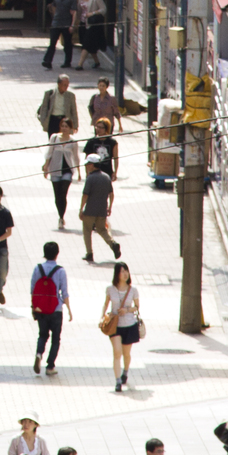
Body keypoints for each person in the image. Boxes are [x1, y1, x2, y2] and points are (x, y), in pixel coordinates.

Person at [30, 241, 71, 375]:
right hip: (56, 309)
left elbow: (33, 289)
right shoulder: (60, 271)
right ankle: (50, 366)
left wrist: (33, 307)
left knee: (42, 335)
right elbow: (64, 293)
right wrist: (69, 309)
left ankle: (39, 353)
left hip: (41, 308)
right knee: (55, 338)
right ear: (57, 254)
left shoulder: (37, 269)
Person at [103, 262, 144, 391]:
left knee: (126, 354)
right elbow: (106, 304)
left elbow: (137, 307)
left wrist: (127, 310)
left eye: (126, 270)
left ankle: (125, 372)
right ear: (117, 274)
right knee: (117, 353)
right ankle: (117, 381)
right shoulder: (110, 289)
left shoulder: (133, 290)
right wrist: (102, 315)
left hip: (129, 324)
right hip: (115, 325)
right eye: (122, 271)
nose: (125, 274)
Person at [80, 152, 119, 263]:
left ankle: (89, 253)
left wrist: (81, 209)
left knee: (87, 231)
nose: (86, 166)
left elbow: (85, 195)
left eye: (88, 164)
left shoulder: (90, 178)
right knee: (102, 230)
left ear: (93, 165)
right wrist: (110, 207)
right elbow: (111, 193)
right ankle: (113, 244)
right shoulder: (106, 177)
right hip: (102, 209)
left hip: (90, 210)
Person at [44, 123, 81, 228]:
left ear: (70, 128)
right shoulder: (54, 138)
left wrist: (78, 171)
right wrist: (46, 167)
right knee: (57, 194)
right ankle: (61, 217)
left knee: (63, 192)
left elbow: (75, 156)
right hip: (55, 169)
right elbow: (49, 152)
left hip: (67, 170)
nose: (64, 128)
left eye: (66, 126)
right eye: (63, 126)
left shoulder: (73, 141)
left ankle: (61, 216)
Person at [74, 0, 109, 68]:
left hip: (92, 24)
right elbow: (78, 9)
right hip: (82, 23)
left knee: (86, 44)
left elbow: (103, 9)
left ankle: (79, 64)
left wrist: (92, 13)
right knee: (89, 45)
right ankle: (97, 62)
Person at [44, 0, 77, 69]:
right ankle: (47, 61)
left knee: (67, 44)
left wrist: (72, 25)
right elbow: (54, 6)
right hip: (56, 23)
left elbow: (74, 12)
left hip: (66, 23)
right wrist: (54, 16)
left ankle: (67, 62)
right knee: (52, 43)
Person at [82, 117, 119, 182]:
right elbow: (87, 158)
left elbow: (115, 158)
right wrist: (87, 173)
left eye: (101, 128)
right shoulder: (91, 142)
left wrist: (115, 172)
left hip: (107, 171)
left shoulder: (112, 142)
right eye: (97, 127)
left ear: (106, 129)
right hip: (93, 172)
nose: (99, 129)